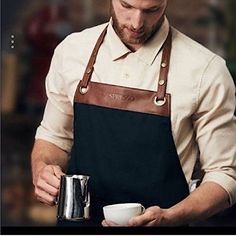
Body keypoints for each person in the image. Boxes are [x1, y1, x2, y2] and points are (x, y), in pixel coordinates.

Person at [31, 0, 236, 227]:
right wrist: (43, 170)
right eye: (127, 6)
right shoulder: (72, 51)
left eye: (151, 10)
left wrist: (173, 216)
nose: (137, 23)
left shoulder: (206, 70)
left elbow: (225, 175)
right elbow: (54, 138)